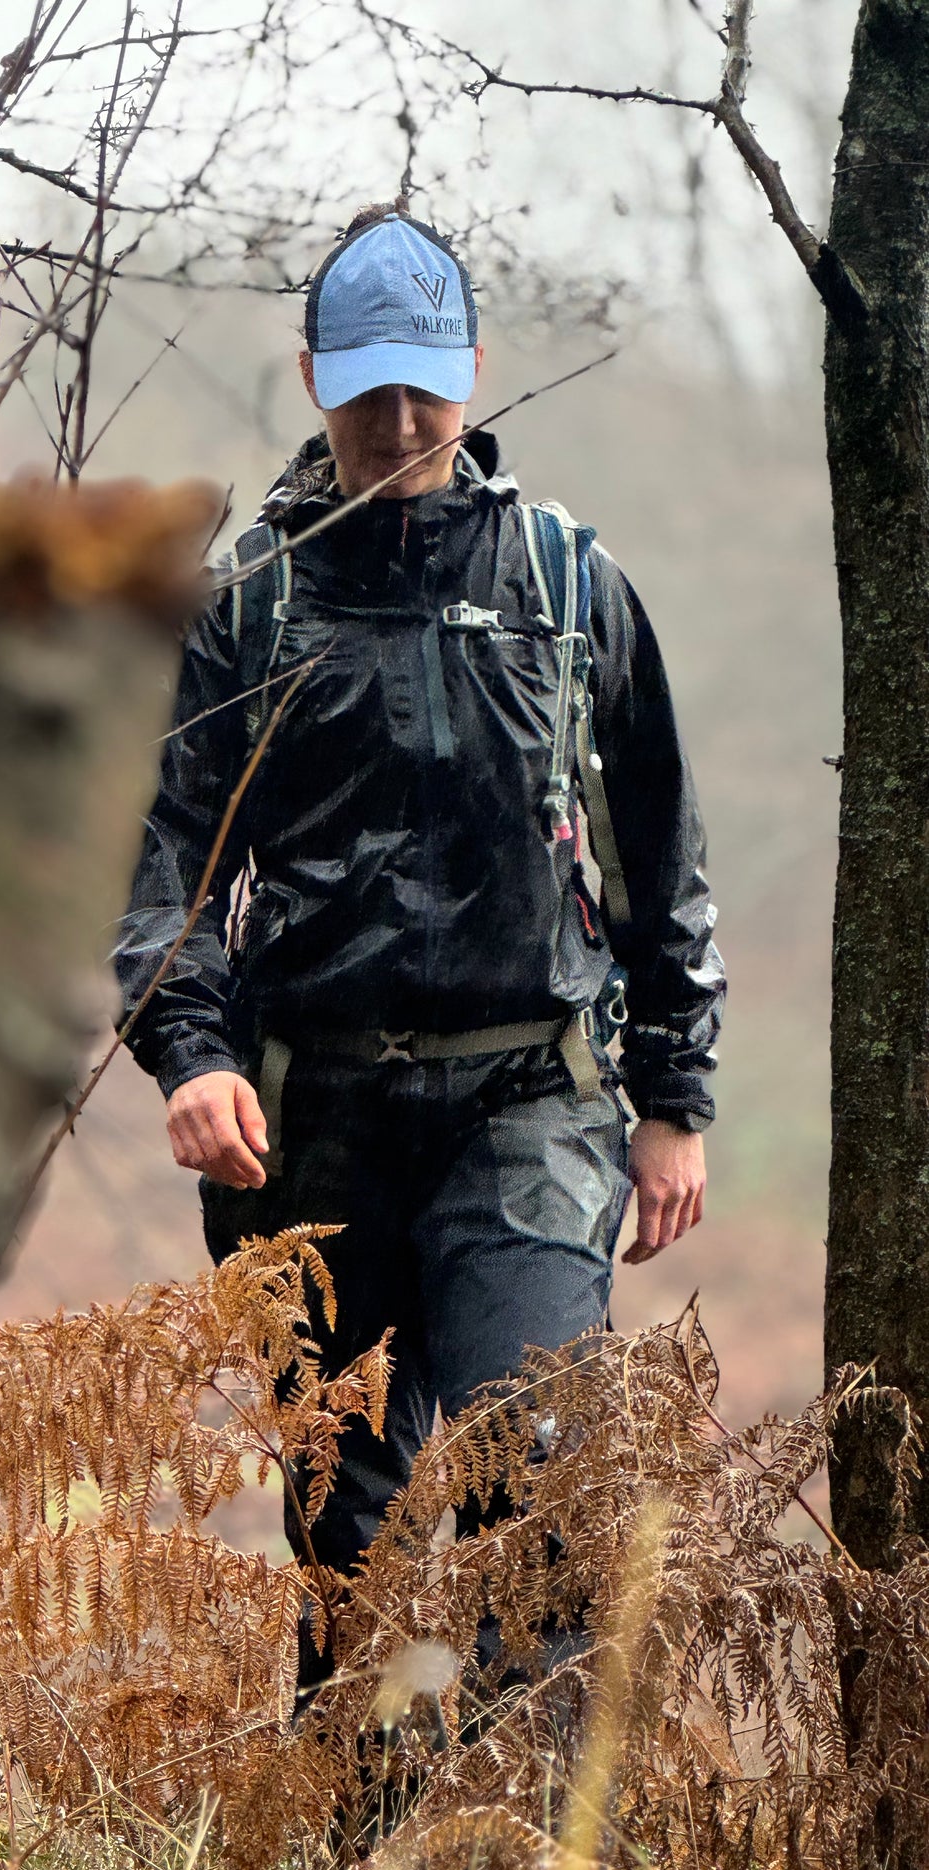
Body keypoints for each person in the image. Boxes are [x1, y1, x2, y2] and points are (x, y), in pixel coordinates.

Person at [113, 202, 724, 1706]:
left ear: (472, 375)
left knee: (541, 1476)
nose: (397, 424)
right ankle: (360, 1821)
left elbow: (658, 850)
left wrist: (672, 1097)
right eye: (365, 391)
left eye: (424, 389)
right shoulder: (246, 608)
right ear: (312, 380)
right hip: (309, 1118)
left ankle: (520, 1830)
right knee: (348, 1526)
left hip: (529, 1100)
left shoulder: (568, 587)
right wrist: (189, 1055)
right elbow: (163, 866)